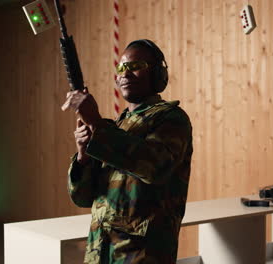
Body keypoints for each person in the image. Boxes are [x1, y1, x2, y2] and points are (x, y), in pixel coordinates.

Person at [61, 39, 193, 264]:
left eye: (136, 66)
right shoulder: (115, 128)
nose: (126, 73)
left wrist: (96, 123)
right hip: (100, 252)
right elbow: (82, 197)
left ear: (157, 74)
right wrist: (83, 156)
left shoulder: (172, 118)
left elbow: (155, 168)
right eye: (121, 67)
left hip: (142, 256)